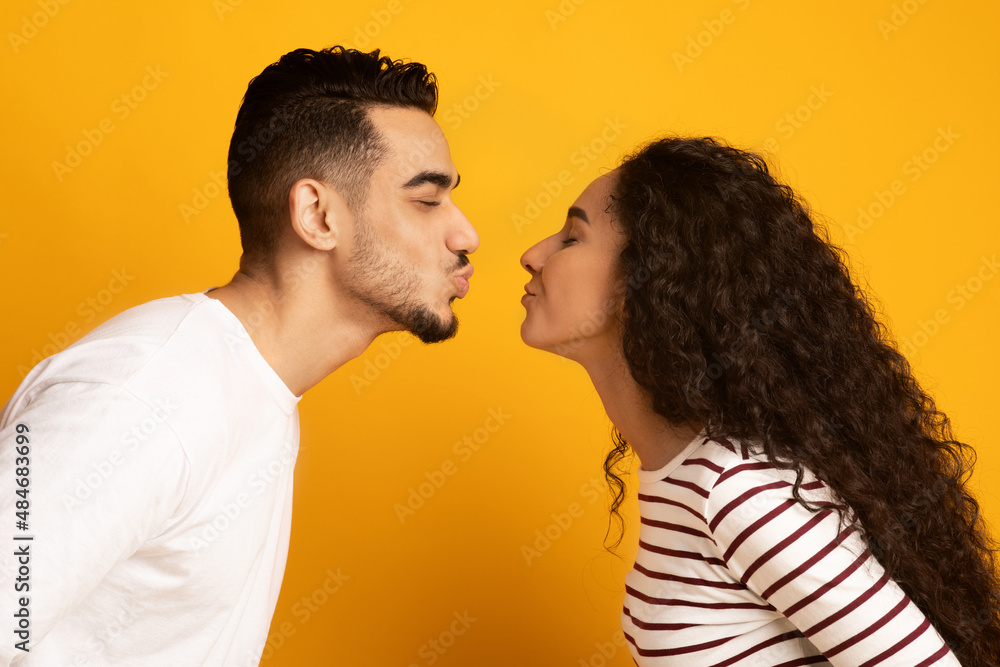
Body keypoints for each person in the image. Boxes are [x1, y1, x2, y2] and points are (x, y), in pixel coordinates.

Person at [0, 45, 477, 666]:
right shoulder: (145, 396)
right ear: (317, 215)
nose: (465, 234)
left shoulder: (251, 389)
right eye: (427, 199)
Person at [519, 136, 1000, 666]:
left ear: (648, 280)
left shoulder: (738, 489)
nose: (532, 254)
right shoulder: (686, 475)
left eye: (571, 238)